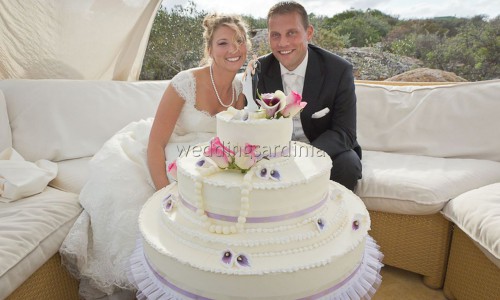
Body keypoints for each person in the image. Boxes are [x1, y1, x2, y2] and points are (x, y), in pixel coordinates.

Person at [59, 13, 250, 299]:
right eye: (223, 43)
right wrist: (163, 192)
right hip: (167, 152)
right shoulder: (185, 82)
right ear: (210, 49)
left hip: (208, 159)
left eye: (239, 40)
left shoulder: (240, 90)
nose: (233, 49)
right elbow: (156, 143)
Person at [256, 1, 362, 191]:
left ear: (309, 32)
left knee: (348, 164)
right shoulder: (260, 70)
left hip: (323, 148)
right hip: (276, 152)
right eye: (275, 35)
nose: (283, 43)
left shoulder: (338, 70)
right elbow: (255, 122)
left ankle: (332, 218)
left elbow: (345, 132)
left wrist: (302, 157)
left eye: (291, 33)